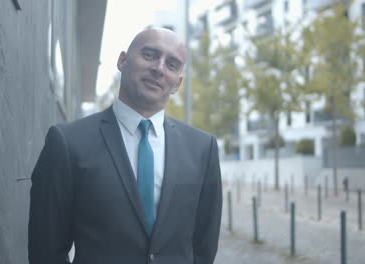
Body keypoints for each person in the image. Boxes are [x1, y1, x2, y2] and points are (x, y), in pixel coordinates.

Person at [28, 28, 223, 264]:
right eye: (150, 55)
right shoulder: (68, 142)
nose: (159, 68)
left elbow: (204, 245)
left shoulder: (203, 149)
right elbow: (46, 251)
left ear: (177, 83)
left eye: (171, 64)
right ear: (122, 61)